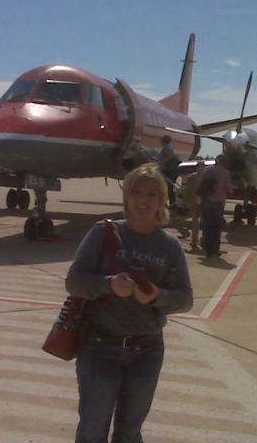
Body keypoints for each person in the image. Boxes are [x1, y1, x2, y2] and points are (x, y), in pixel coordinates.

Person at [65, 163, 193, 443]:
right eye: (137, 192)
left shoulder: (169, 245)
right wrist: (108, 284)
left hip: (146, 351)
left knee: (129, 433)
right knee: (92, 432)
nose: (143, 200)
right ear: (126, 197)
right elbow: (74, 281)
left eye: (151, 194)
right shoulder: (104, 232)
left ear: (161, 200)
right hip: (100, 349)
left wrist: (158, 296)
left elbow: (186, 298)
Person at [197, 154, 233, 258]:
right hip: (218, 203)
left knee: (207, 226)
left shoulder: (207, 170)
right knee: (217, 226)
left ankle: (207, 248)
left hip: (206, 201)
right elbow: (229, 188)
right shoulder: (225, 172)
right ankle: (215, 249)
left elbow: (200, 183)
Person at [182, 161, 206, 251]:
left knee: (195, 223)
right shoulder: (207, 177)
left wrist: (184, 204)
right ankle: (201, 240)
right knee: (201, 223)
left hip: (195, 202)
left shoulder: (191, 177)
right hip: (202, 202)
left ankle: (195, 241)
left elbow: (186, 191)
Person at [157, 135, 181, 207]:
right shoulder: (168, 146)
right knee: (168, 188)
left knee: (166, 187)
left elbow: (170, 155)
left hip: (169, 171)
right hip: (168, 170)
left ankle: (169, 205)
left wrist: (162, 162)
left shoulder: (168, 146)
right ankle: (170, 204)